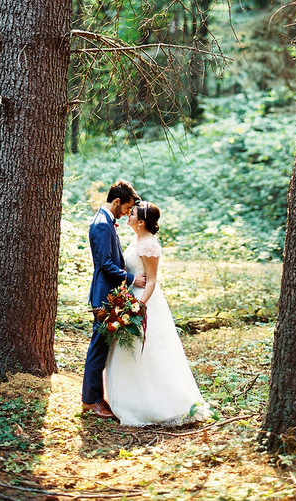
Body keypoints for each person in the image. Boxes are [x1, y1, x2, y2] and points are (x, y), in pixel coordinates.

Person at [104, 200, 210, 426]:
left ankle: (158, 404)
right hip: (130, 297)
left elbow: (151, 281)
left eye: (131, 213)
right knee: (127, 351)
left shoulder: (150, 246)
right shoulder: (137, 238)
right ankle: (127, 399)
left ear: (141, 222)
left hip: (145, 301)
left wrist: (139, 307)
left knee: (150, 352)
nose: (127, 215)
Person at [81, 179, 146, 418]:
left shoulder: (107, 221)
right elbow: (104, 264)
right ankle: (90, 401)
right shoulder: (101, 224)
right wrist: (130, 279)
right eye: (127, 207)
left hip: (110, 293)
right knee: (98, 347)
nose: (128, 212)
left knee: (102, 346)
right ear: (117, 201)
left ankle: (96, 396)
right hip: (103, 295)